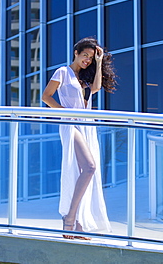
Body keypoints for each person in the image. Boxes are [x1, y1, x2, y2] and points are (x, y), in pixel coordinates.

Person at [42, 37, 117, 239]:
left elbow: (96, 88)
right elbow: (46, 96)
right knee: (89, 167)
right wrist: (65, 112)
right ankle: (70, 218)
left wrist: (99, 62)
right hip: (69, 125)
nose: (87, 60)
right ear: (76, 53)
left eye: (90, 58)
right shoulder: (63, 72)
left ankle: (78, 223)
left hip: (86, 126)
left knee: (81, 172)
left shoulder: (85, 77)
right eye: (85, 55)